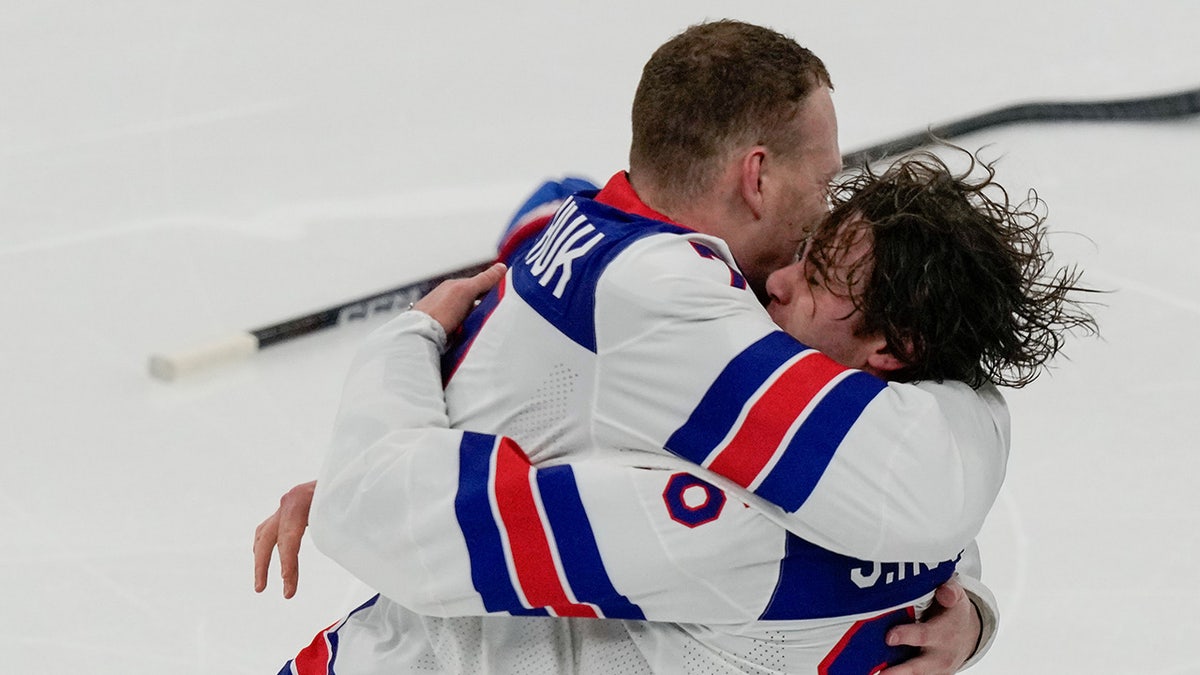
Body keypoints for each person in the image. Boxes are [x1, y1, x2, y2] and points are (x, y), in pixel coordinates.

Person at [259, 20, 1091, 673]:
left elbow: (890, 473)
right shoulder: (684, 315)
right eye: (825, 179)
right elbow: (916, 477)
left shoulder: (609, 247)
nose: (781, 285)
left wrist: (394, 380)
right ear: (756, 175)